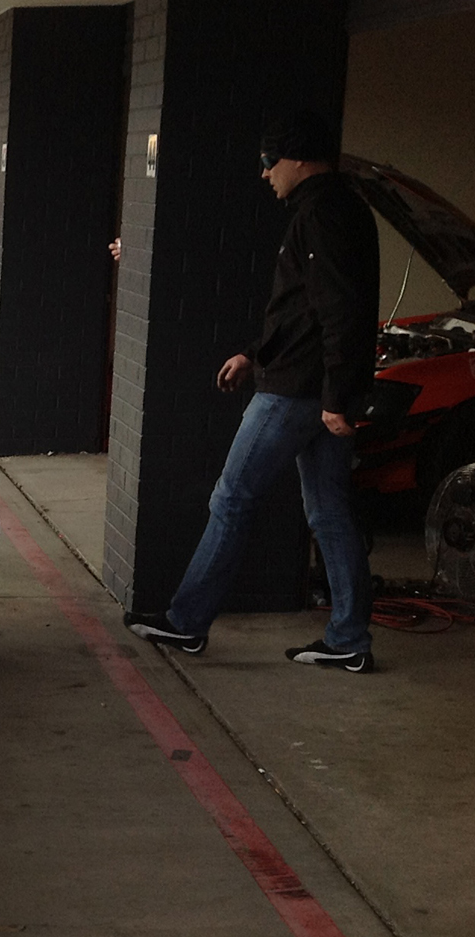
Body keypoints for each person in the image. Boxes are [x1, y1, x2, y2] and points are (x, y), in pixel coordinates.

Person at [122, 111, 378, 672]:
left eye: (269, 161)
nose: (264, 174)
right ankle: (349, 639)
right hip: (311, 387)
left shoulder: (321, 215)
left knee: (232, 497)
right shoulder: (341, 208)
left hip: (296, 392)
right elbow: (305, 312)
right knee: (330, 510)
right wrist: (255, 354)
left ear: (299, 159)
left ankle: (187, 623)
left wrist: (337, 396)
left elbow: (340, 312)